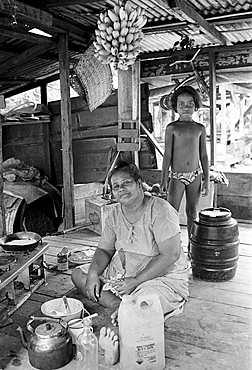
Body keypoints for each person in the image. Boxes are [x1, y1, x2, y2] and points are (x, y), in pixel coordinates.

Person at [71, 161, 189, 365]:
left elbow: (170, 256)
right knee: (79, 276)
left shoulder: (161, 210)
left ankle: (121, 336)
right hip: (125, 270)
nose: (121, 189)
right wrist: (92, 274)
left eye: (126, 183)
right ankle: (119, 306)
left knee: (142, 304)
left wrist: (136, 280)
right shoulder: (115, 214)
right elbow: (104, 249)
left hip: (162, 276)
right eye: (116, 186)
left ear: (140, 184)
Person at [160, 85, 209, 256]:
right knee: (171, 213)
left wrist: (207, 179)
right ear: (175, 107)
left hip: (195, 175)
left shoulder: (200, 128)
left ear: (196, 106)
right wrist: (163, 179)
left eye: (190, 104)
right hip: (176, 176)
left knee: (192, 212)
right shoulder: (172, 128)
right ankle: (173, 248)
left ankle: (192, 248)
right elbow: (167, 155)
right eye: (181, 104)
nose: (186, 107)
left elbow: (203, 155)